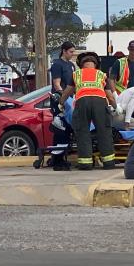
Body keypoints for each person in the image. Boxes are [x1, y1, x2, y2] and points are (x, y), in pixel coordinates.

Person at [59, 52, 117, 170]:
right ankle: (109, 163)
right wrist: (116, 107)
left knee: (83, 131)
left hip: (82, 103)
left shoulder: (76, 74)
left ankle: (85, 163)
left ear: (81, 65)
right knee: (104, 131)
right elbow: (110, 97)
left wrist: (61, 103)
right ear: (95, 65)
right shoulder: (101, 75)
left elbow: (67, 91)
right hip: (100, 103)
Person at [47, 41, 76, 170]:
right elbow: (57, 84)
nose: (72, 54)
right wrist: (64, 98)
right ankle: (57, 160)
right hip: (60, 101)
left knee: (67, 129)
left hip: (70, 100)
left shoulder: (71, 65)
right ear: (64, 51)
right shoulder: (57, 65)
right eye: (70, 52)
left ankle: (57, 157)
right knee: (61, 129)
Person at [108, 40, 134, 123]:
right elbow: (111, 79)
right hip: (122, 98)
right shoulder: (119, 62)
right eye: (131, 50)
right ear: (128, 49)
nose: (133, 52)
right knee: (121, 122)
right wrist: (115, 94)